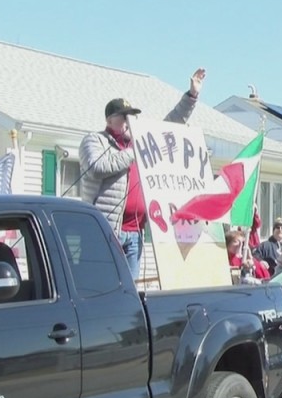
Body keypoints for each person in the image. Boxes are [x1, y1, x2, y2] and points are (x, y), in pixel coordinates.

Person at [79, 68, 205, 278]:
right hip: (105, 232)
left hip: (135, 233)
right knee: (102, 285)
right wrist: (132, 151)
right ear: (109, 120)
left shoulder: (137, 142)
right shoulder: (94, 140)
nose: (129, 121)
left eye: (132, 116)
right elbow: (96, 167)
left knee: (130, 294)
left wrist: (191, 96)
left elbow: (169, 125)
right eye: (123, 116)